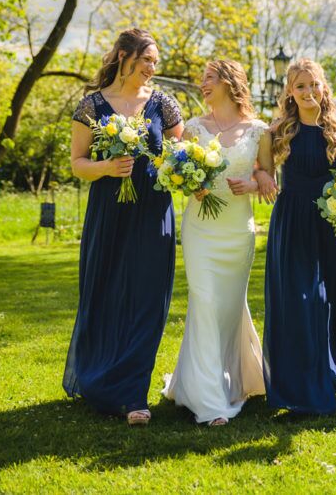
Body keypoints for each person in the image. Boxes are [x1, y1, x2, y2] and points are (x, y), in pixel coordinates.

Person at [63, 28, 183, 426]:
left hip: (153, 211)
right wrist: (107, 168)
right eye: (147, 59)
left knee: (148, 297)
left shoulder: (163, 104)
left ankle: (134, 394)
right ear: (124, 57)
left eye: (154, 60)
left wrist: (183, 169)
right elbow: (77, 163)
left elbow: (180, 154)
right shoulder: (92, 105)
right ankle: (101, 381)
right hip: (108, 212)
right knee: (107, 291)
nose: (153, 67)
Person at [162, 60, 276, 426]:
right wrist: (188, 183)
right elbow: (174, 170)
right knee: (205, 301)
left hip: (237, 230)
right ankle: (210, 402)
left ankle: (228, 381)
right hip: (200, 228)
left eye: (209, 78)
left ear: (229, 82)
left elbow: (267, 175)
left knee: (227, 309)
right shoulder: (194, 127)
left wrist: (255, 183)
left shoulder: (259, 130)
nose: (203, 84)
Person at [262, 58, 336, 414]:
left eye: (313, 84)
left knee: (328, 297)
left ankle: (327, 372)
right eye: (300, 86)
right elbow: (262, 171)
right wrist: (262, 179)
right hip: (292, 220)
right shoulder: (278, 130)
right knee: (300, 298)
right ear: (290, 91)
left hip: (329, 221)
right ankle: (294, 379)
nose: (308, 92)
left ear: (323, 86)